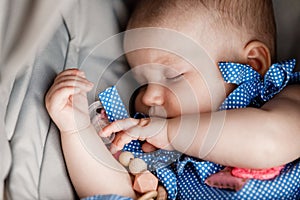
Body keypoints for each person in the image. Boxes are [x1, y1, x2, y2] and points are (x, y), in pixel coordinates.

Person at [45, 0, 300, 199]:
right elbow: (116, 194)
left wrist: (171, 133)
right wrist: (75, 129)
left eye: (173, 75)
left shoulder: (283, 97)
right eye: (143, 83)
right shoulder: (162, 154)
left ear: (251, 63)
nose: (149, 96)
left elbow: (268, 142)